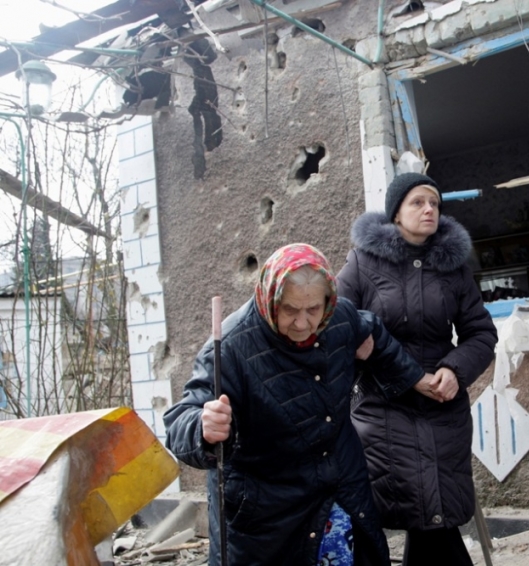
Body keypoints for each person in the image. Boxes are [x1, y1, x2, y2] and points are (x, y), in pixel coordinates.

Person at [164, 243, 448, 566]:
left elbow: (374, 334)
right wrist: (202, 428)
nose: (302, 324)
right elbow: (179, 421)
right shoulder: (230, 348)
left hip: (340, 488)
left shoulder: (339, 317)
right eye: (289, 310)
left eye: (313, 309)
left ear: (327, 300)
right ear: (270, 297)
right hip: (266, 511)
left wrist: (416, 379)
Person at [336, 172, 498, 566]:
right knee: (415, 512)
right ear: (395, 214)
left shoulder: (454, 268)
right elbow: (339, 326)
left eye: (435, 204)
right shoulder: (361, 262)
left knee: (435, 515)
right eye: (418, 202)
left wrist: (455, 372)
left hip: (443, 407)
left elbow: (481, 334)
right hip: (383, 407)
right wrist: (407, 376)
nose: (430, 210)